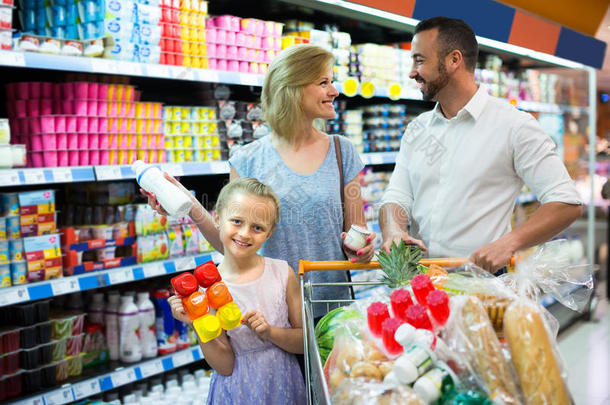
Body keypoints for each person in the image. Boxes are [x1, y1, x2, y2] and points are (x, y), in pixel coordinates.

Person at [144, 44, 376, 317]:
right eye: (324, 82)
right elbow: (231, 245)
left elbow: (357, 239)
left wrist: (363, 250)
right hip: (268, 312)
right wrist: (191, 206)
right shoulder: (247, 160)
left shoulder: (342, 151)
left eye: (332, 82)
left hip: (331, 312)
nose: (334, 91)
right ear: (292, 88)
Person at [379, 16, 583, 273]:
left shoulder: (514, 126)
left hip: (482, 286)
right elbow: (396, 196)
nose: (412, 72)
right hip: (421, 281)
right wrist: (393, 230)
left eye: (419, 60)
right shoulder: (417, 128)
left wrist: (509, 243)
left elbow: (566, 202)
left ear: (454, 60)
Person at [168, 178, 306, 405]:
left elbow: (305, 342)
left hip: (283, 387)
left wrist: (270, 332)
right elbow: (225, 365)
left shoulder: (282, 273)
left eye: (257, 227)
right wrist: (197, 322)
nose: (245, 233)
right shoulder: (205, 291)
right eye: (237, 221)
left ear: (269, 233)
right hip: (237, 392)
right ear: (217, 218)